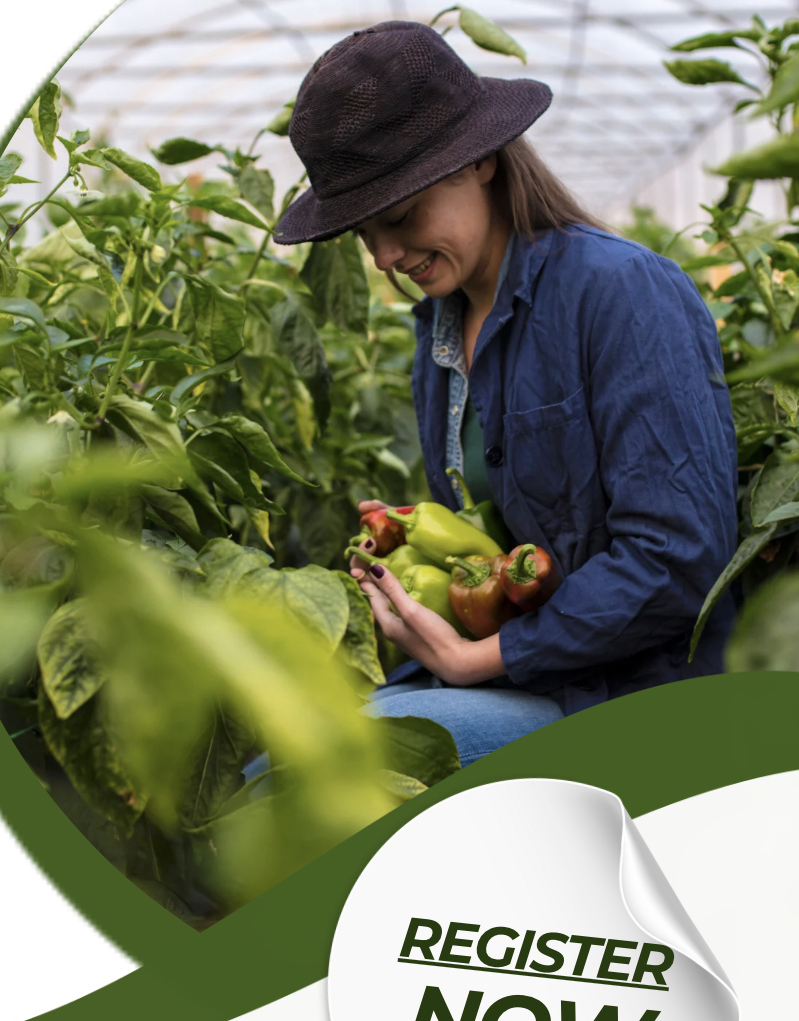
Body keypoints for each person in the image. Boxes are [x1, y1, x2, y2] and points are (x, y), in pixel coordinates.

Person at [274, 20, 738, 764]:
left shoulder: (619, 293)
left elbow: (676, 557)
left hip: (626, 694)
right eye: (365, 233)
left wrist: (475, 661)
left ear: (482, 161)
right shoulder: (441, 332)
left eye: (399, 216)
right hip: (524, 680)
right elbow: (490, 549)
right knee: (270, 761)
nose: (386, 255)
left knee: (312, 781)